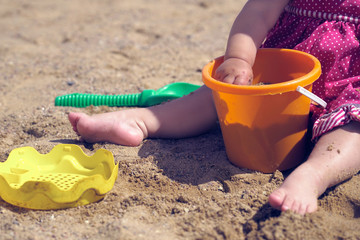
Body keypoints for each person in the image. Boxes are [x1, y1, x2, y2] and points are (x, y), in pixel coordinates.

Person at [67, 0, 360, 215]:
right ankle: (142, 121)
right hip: (281, 78)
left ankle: (313, 174)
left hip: (352, 87)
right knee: (217, 96)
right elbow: (258, 12)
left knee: (354, 126)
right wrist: (240, 59)